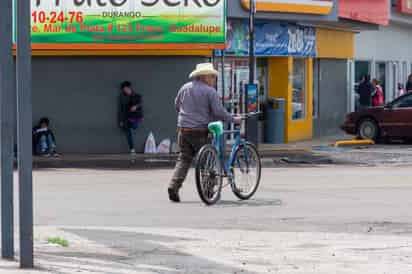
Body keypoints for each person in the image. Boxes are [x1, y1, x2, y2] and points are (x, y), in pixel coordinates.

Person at [168, 63, 241, 203]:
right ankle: (208, 191)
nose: (214, 79)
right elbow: (219, 112)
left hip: (183, 130)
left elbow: (177, 105)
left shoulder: (185, 87)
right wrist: (233, 119)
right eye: (212, 76)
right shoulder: (210, 91)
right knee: (207, 161)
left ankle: (173, 186)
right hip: (200, 131)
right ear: (205, 77)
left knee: (183, 159)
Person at [118, 81, 143, 154]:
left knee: (134, 126)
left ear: (129, 88)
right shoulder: (122, 97)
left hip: (134, 117)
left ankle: (132, 124)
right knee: (127, 132)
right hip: (126, 117)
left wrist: (135, 106)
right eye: (124, 89)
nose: (125, 90)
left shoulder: (136, 95)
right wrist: (121, 120)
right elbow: (120, 109)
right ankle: (132, 149)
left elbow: (139, 103)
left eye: (126, 88)